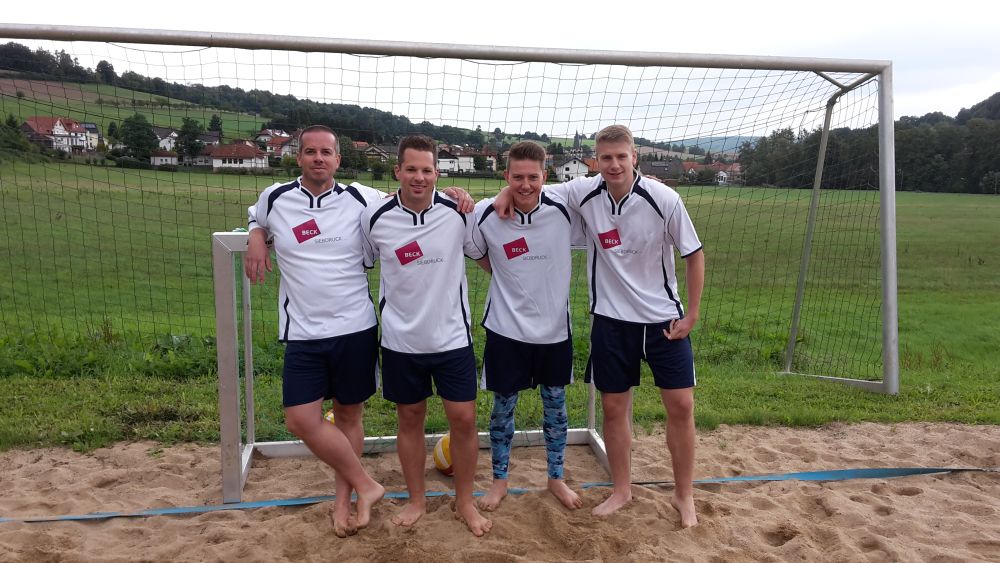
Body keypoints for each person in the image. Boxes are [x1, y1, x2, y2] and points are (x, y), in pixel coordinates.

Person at [494, 124, 704, 527]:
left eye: (621, 156)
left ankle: (684, 495)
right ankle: (621, 490)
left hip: (663, 320)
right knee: (613, 407)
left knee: (681, 405)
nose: (614, 164)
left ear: (634, 157)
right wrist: (506, 191)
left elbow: (693, 254)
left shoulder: (665, 198)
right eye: (606, 157)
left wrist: (691, 314)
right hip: (611, 321)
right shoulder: (583, 192)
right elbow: (532, 190)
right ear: (596, 161)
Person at [245, 125, 386, 537]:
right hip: (304, 332)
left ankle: (344, 501)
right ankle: (367, 484)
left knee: (348, 415)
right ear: (299, 157)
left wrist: (459, 194)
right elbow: (256, 218)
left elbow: (411, 198)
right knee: (300, 419)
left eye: (326, 152)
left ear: (338, 159)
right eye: (311, 151)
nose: (319, 158)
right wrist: (256, 236)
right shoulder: (275, 197)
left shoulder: (361, 197)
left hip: (355, 328)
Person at [361, 134, 492, 537]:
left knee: (464, 420)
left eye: (427, 170)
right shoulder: (375, 216)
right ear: (397, 171)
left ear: (437, 173)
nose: (419, 177)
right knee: (410, 418)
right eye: (411, 169)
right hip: (401, 340)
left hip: (452, 337)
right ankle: (416, 500)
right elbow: (362, 261)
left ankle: (465, 502)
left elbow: (483, 254)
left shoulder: (458, 212)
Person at [469, 141, 583, 511]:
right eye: (517, 177)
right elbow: (476, 251)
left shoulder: (564, 208)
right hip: (506, 330)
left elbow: (607, 184)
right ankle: (499, 481)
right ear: (506, 176)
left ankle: (556, 478)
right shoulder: (486, 213)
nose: (525, 184)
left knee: (556, 408)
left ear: (545, 176)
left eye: (533, 177)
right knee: (503, 409)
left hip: (554, 331)